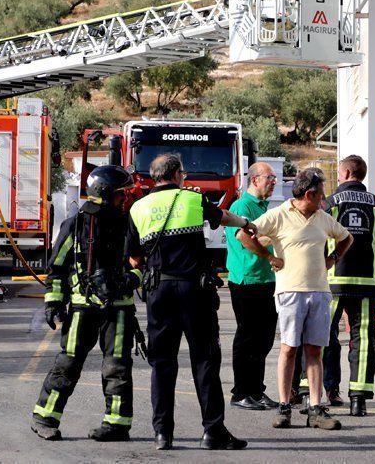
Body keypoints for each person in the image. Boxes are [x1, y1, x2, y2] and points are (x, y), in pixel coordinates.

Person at [127, 153, 255, 451]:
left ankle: (162, 434)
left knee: (162, 364)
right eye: (183, 173)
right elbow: (223, 218)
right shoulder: (191, 199)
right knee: (205, 360)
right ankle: (213, 432)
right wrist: (246, 222)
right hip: (194, 291)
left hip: (159, 292)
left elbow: (134, 257)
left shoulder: (138, 208)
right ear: (176, 174)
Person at [31, 165, 143, 442]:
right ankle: (44, 418)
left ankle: (116, 424)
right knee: (67, 364)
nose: (125, 199)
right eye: (121, 194)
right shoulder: (77, 225)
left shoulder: (129, 224)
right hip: (82, 308)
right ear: (105, 194)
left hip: (118, 309)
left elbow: (146, 265)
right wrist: (54, 304)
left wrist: (131, 279)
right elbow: (57, 268)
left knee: (117, 366)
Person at [238, 167, 353, 430]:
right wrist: (269, 257)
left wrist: (333, 258)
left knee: (315, 350)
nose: (324, 200)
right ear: (309, 194)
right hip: (290, 292)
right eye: (321, 195)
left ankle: (315, 409)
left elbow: (347, 238)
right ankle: (284, 407)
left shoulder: (323, 218)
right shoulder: (278, 215)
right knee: (289, 349)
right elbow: (244, 235)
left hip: (319, 293)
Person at [322, 155, 375, 417]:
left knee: (319, 334)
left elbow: (316, 241)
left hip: (331, 282)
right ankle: (359, 400)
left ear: (344, 173)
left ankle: (305, 391)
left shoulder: (329, 203)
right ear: (361, 175)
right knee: (363, 340)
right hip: (368, 284)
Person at [225, 162, 280, 411]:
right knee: (247, 337)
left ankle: (256, 390)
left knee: (264, 339)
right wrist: (269, 257)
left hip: (266, 281)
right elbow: (244, 237)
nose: (274, 181)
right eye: (270, 177)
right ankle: (241, 392)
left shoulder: (263, 206)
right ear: (255, 179)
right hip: (247, 281)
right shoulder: (241, 206)